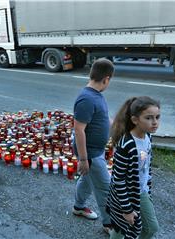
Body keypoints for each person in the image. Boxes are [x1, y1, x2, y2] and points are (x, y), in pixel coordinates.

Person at [106, 96, 160, 239]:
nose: (155, 122)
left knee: (126, 228)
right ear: (135, 120)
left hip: (141, 191)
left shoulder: (148, 136)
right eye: (148, 118)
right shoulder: (127, 145)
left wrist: (147, 187)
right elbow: (118, 179)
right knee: (138, 227)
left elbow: (146, 167)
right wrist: (127, 209)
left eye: (157, 117)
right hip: (126, 196)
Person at [72, 58, 114, 234]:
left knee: (87, 180)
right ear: (106, 79)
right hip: (90, 153)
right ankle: (109, 224)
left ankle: (78, 207)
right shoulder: (87, 99)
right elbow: (79, 130)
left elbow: (103, 120)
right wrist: (83, 159)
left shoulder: (97, 96)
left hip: (95, 151)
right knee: (105, 188)